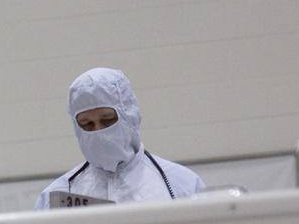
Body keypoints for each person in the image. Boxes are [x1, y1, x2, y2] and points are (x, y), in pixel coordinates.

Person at [35, 68, 204, 209]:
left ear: (130, 116)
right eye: (87, 124)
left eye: (107, 120)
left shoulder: (181, 185)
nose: (98, 132)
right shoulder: (56, 197)